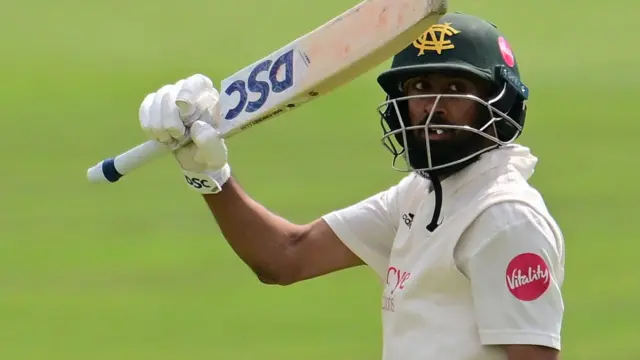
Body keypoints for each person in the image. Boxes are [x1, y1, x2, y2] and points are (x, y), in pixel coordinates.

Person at [138, 12, 565, 360]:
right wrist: (210, 177)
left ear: (499, 102)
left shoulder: (505, 219)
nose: (433, 107)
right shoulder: (422, 194)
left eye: (456, 88)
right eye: (420, 87)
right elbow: (286, 257)